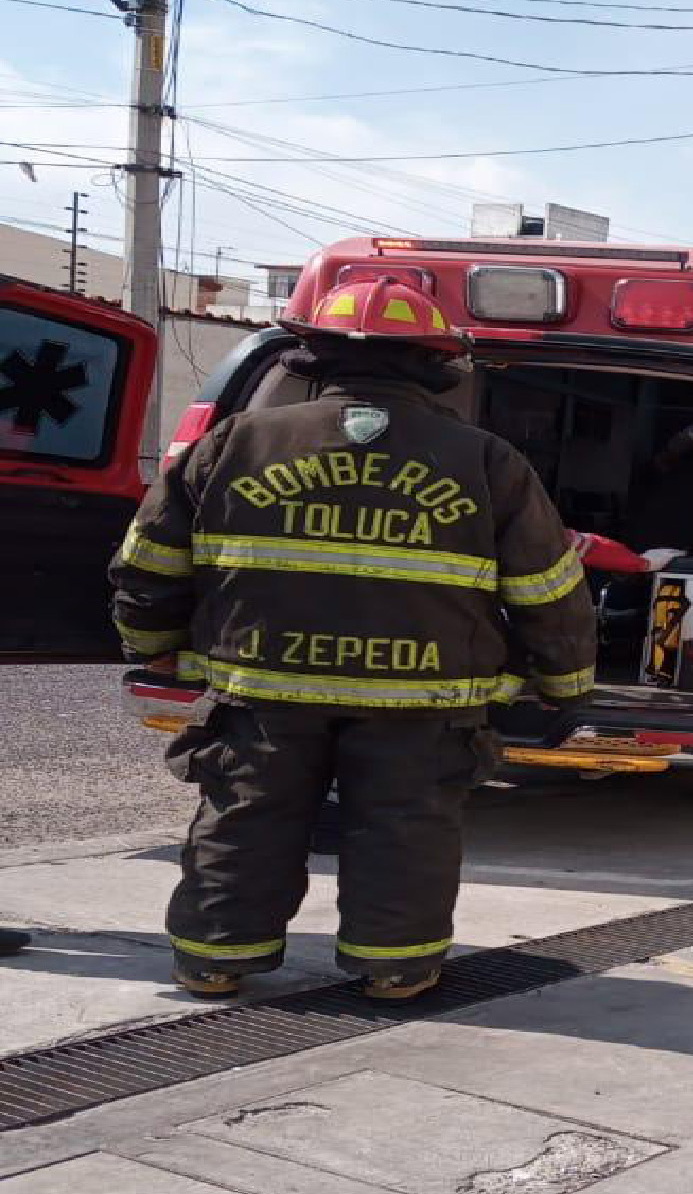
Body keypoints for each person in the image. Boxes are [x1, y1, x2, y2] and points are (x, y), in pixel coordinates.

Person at [109, 275, 598, 1002]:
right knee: (405, 827)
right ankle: (394, 969)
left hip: (265, 689)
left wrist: (150, 642)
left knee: (247, 817)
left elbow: (149, 564)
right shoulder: (486, 460)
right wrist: (564, 685)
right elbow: (548, 590)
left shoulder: (234, 443)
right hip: (422, 700)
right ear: (436, 363)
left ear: (314, 354)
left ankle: (214, 961)